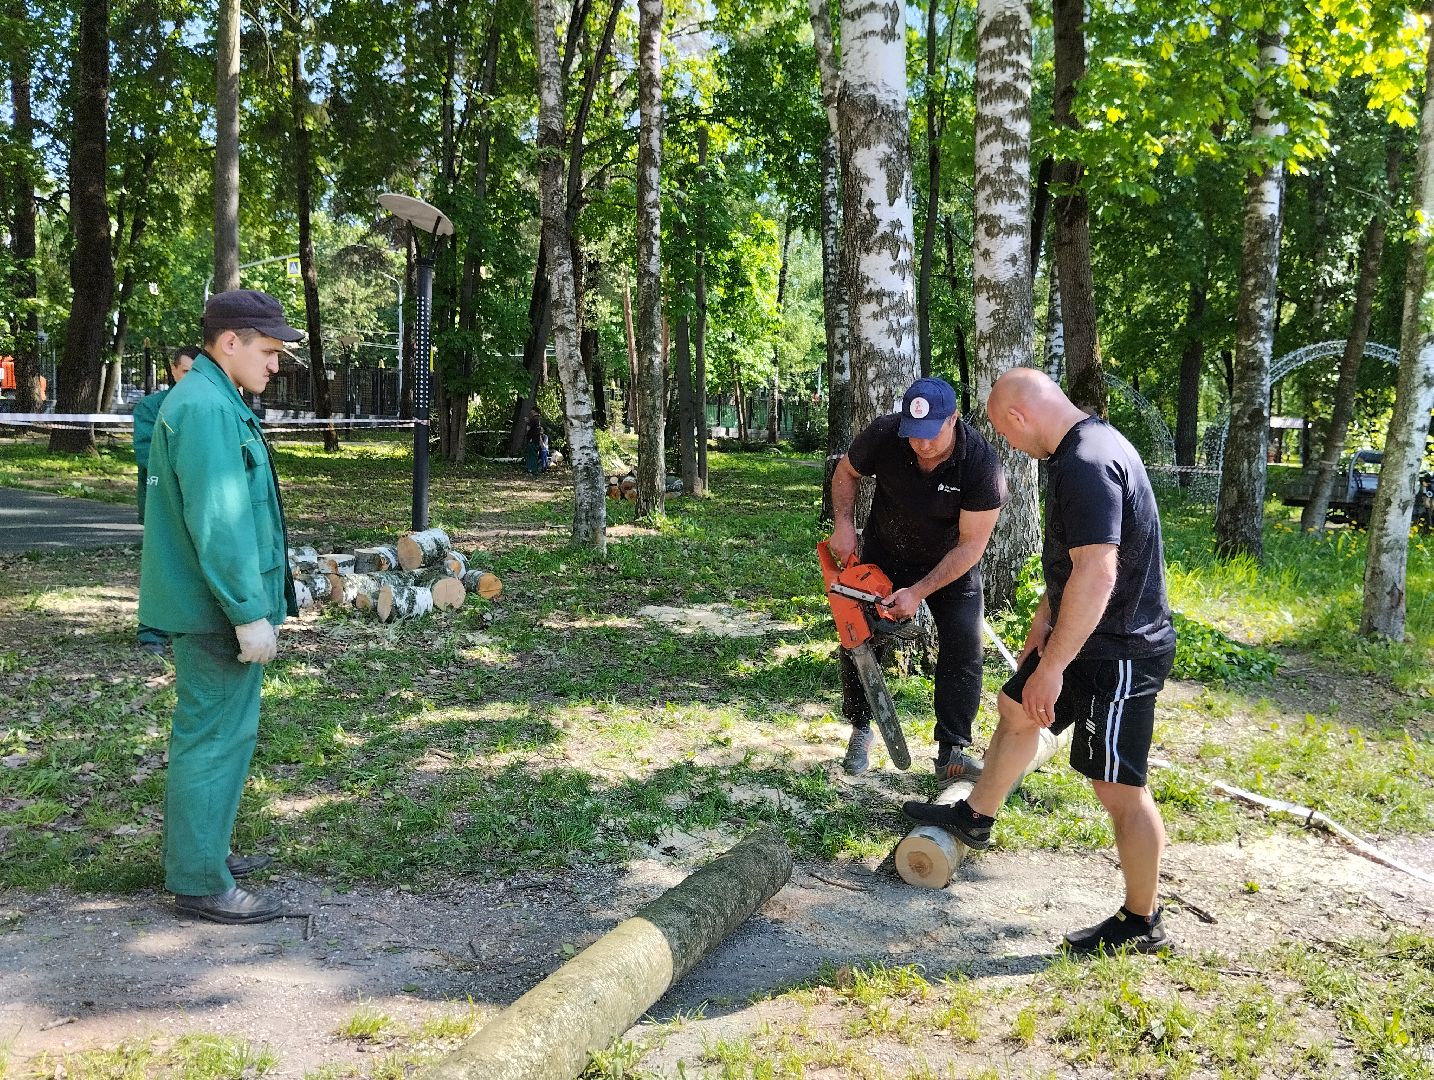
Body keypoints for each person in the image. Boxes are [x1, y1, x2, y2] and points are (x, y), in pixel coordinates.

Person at [903, 367, 1178, 954]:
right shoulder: (1080, 449)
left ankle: (1142, 921)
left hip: (1119, 649)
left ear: (1018, 416)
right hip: (1083, 635)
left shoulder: (1087, 463)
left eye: (1005, 432)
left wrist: (1053, 668)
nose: (1008, 443)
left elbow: (1098, 572)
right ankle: (976, 816)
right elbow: (1074, 562)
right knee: (1016, 707)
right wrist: (1042, 626)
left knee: (1119, 789)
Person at [138, 290, 303, 925]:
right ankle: (200, 880)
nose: (276, 364)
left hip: (213, 607)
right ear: (230, 342)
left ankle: (205, 851)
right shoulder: (207, 407)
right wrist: (246, 612)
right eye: (269, 351)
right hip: (214, 612)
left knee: (225, 734)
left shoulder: (211, 398)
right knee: (212, 738)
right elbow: (219, 522)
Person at [826, 376, 1007, 781]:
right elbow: (847, 470)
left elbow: (971, 546)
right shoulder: (886, 434)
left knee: (964, 644)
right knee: (856, 634)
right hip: (885, 552)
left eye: (931, 434)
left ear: (953, 419)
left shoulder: (980, 463)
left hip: (950, 563)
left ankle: (952, 751)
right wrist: (844, 523)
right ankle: (860, 728)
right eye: (914, 434)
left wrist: (919, 592)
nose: (922, 444)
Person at [132, 347, 198, 654]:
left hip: (198, 500)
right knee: (161, 564)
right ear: (173, 370)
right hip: (161, 499)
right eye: (185, 372)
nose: (191, 379)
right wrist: (190, 472)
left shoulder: (207, 406)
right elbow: (147, 454)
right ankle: (152, 631)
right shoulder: (151, 407)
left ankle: (187, 624)